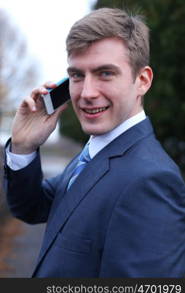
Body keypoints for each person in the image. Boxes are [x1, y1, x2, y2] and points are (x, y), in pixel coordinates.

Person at [4, 7, 185, 277]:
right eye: (77, 75)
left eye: (105, 73)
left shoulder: (150, 181)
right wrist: (23, 147)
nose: (87, 93)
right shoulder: (95, 152)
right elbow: (33, 207)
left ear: (143, 81)